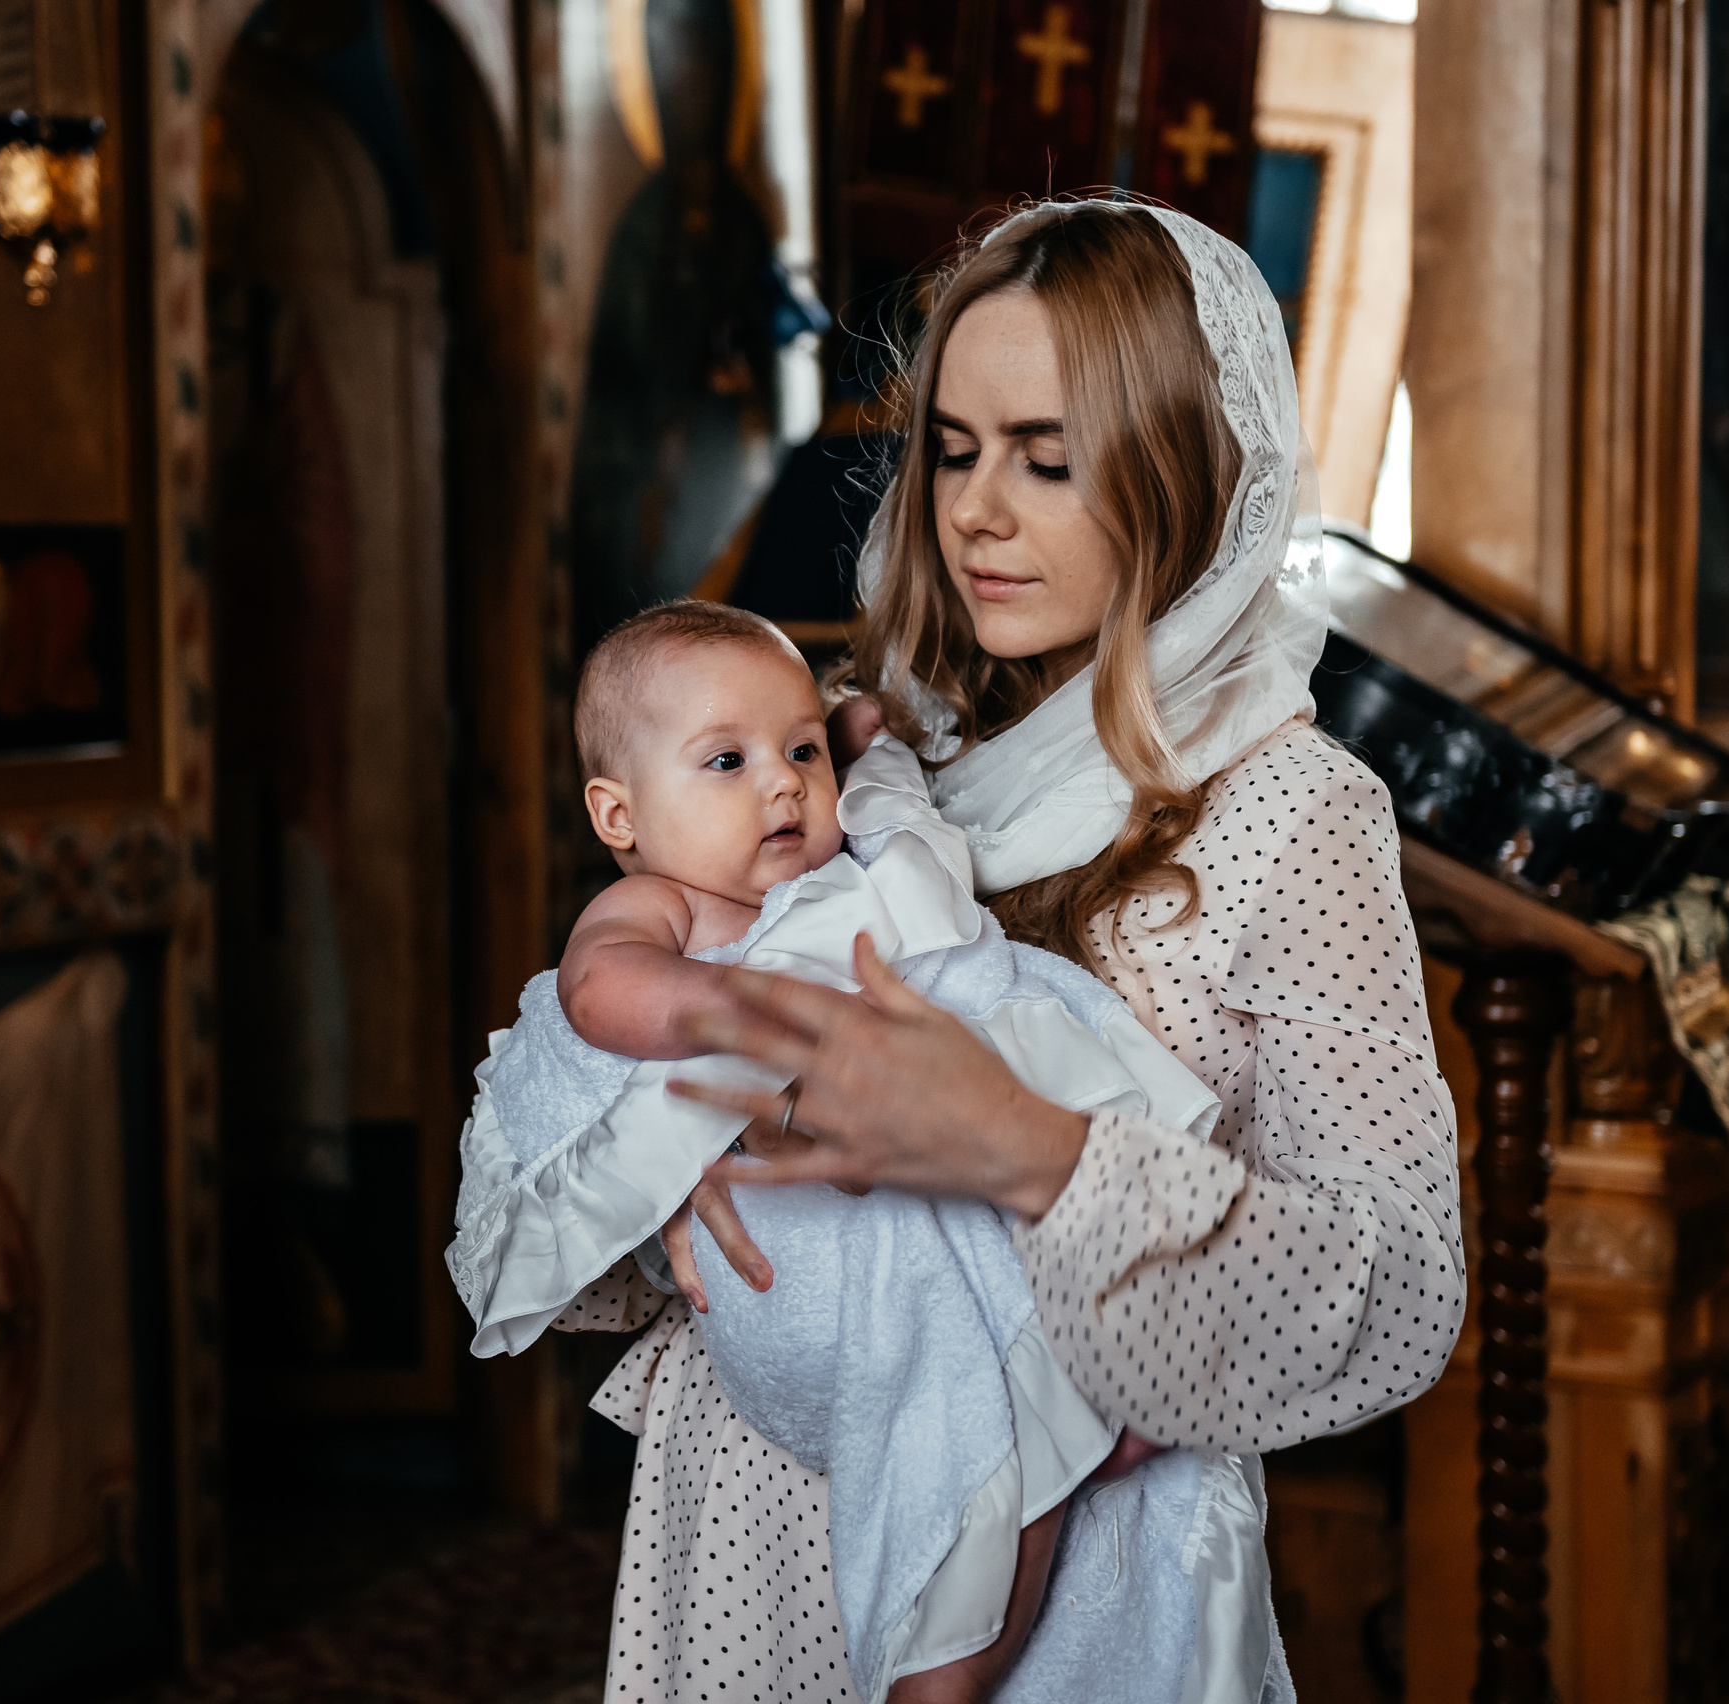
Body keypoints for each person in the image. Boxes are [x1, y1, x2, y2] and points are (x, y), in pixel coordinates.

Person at [542, 197, 1463, 1702]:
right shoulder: (862, 745)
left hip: (1077, 1565)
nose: (975, 511)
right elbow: (591, 1139)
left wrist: (1032, 1150)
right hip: (759, 1525)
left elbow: (1396, 1288)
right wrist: (675, 1147)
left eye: (1048, 458)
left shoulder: (1289, 812)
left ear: (1189, 474)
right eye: (954, 449)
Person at [451, 600, 1256, 1703]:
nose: (781, 784)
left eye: (795, 753)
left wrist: (860, 733)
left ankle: (979, 1619)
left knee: (1016, 1422)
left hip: (924, 1213)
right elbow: (599, 993)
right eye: (725, 761)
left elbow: (877, 770)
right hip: (817, 1267)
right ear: (618, 814)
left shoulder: (855, 859)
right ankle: (946, 1656)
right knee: (958, 1405)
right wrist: (757, 1025)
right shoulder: (663, 906)